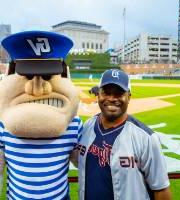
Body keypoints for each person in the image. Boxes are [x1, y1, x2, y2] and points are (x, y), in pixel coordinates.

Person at [0, 31, 82, 199]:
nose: (37, 88)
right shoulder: (2, 125)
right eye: (27, 75)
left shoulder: (74, 125)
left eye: (47, 75)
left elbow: (89, 166)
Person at [78, 69, 171, 200]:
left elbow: (161, 189)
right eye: (106, 92)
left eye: (119, 93)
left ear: (129, 97)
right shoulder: (87, 126)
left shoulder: (146, 138)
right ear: (98, 94)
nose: (111, 98)